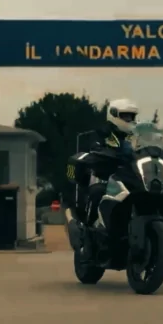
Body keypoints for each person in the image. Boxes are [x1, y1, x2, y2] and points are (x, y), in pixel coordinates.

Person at [67, 98, 139, 228]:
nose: (130, 120)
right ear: (114, 115)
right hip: (106, 179)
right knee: (97, 193)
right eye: (126, 116)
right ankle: (88, 229)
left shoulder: (135, 136)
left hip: (131, 179)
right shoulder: (102, 134)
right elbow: (95, 148)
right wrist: (103, 153)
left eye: (131, 116)